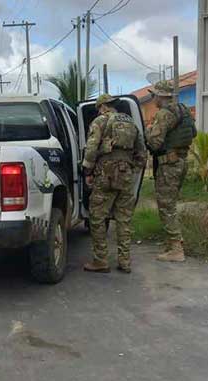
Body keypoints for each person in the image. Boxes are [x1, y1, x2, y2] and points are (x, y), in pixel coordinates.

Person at [82, 94, 147, 274]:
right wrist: (132, 169)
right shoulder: (131, 123)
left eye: (98, 108)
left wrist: (87, 171)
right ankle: (125, 261)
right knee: (124, 219)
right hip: (125, 174)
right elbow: (142, 152)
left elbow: (91, 148)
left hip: (105, 174)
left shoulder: (101, 121)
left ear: (102, 106)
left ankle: (101, 260)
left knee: (97, 217)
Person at [145, 80, 197, 262]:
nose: (153, 99)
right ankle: (172, 243)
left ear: (161, 96)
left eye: (154, 96)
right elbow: (194, 133)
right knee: (171, 204)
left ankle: (176, 249)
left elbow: (155, 143)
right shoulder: (184, 110)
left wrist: (147, 132)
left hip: (169, 165)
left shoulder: (164, 114)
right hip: (181, 162)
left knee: (166, 206)